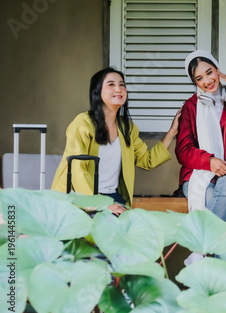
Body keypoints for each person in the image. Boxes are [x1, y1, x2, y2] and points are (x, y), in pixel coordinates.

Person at [52, 67, 181, 215]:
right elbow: (77, 169)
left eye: (122, 84)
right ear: (97, 92)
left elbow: (148, 160)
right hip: (78, 198)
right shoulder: (83, 123)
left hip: (112, 197)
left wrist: (172, 131)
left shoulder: (127, 128)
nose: (119, 89)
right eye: (111, 84)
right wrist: (99, 203)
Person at [175, 50, 226, 259]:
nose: (207, 81)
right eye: (199, 78)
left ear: (218, 69)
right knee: (220, 207)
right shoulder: (190, 107)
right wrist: (209, 161)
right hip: (198, 175)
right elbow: (183, 150)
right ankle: (223, 276)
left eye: (210, 72)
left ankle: (199, 251)